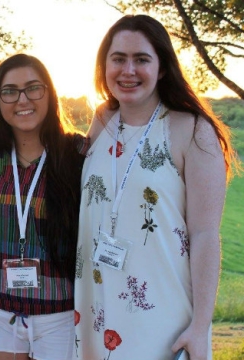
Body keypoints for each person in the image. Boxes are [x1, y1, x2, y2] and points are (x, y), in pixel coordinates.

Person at [74, 14, 240, 360]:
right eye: (118, 59)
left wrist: (200, 326)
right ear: (104, 67)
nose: (128, 70)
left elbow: (206, 235)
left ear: (162, 68)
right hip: (96, 308)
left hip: (163, 314)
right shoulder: (102, 120)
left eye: (142, 59)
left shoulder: (192, 131)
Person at [0, 53, 86, 360]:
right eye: (9, 91)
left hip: (59, 312)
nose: (22, 99)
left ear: (49, 94)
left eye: (33, 88)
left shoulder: (78, 155)